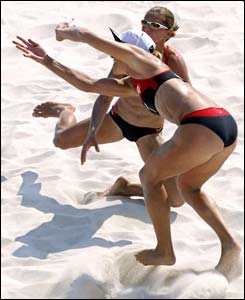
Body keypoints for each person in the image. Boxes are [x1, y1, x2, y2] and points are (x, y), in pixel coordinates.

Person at [13, 23, 242, 281]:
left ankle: (164, 251)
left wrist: (63, 33)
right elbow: (88, 84)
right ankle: (229, 244)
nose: (114, 56)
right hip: (224, 125)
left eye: (117, 50)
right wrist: (47, 60)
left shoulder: (145, 62)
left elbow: (88, 35)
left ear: (130, 50)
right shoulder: (135, 84)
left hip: (199, 125)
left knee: (149, 176)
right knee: (189, 188)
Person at [32, 7, 190, 206]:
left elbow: (187, 102)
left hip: (148, 132)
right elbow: (103, 94)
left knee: (176, 200)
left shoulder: (173, 60)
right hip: (118, 120)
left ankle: (124, 187)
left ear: (168, 33)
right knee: (61, 141)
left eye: (155, 25)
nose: (147, 28)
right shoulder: (129, 51)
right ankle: (65, 110)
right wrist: (92, 131)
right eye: (145, 23)